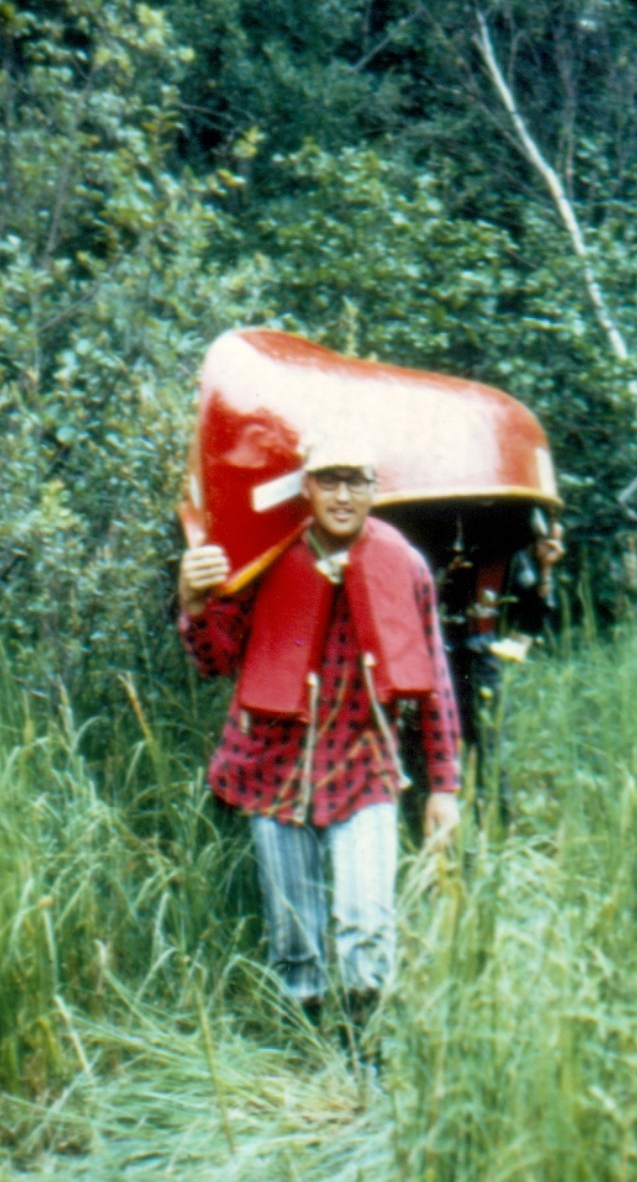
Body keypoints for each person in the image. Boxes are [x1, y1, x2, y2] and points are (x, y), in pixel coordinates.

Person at [178, 430, 460, 1054]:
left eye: (356, 480)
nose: (342, 495)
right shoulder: (265, 554)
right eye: (329, 479)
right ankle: (305, 1056)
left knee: (367, 925)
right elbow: (214, 659)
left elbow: (436, 679)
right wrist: (193, 603)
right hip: (275, 768)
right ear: (306, 487)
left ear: (374, 488)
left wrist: (444, 785)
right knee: (295, 937)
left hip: (365, 766)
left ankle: (364, 1059)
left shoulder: (406, 563)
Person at [434, 510, 564, 817]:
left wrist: (546, 567)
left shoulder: (508, 555)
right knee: (441, 749)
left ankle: (496, 825)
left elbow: (537, 610)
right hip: (437, 658)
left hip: (483, 658)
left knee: (491, 749)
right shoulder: (432, 543)